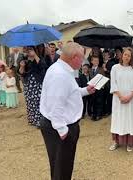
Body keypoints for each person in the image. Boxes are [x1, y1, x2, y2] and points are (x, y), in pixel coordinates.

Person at [40, 42, 95, 180]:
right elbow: (55, 104)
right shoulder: (60, 74)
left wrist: (85, 91)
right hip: (60, 127)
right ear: (74, 57)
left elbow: (68, 94)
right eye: (82, 58)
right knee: (62, 166)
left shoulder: (61, 69)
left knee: (61, 165)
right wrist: (62, 130)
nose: (83, 62)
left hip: (59, 125)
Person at [109, 47, 133, 152]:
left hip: (131, 99)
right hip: (118, 99)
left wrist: (130, 96)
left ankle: (130, 143)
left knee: (130, 119)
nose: (126, 57)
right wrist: (120, 96)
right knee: (118, 119)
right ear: (122, 55)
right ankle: (116, 142)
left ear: (131, 58)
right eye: (125, 54)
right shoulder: (115, 68)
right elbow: (113, 83)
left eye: (129, 55)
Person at [19, 46, 47, 127]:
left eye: (30, 49)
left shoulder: (39, 58)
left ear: (34, 50)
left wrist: (34, 55)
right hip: (28, 84)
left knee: (38, 102)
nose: (29, 51)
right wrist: (22, 66)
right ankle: (32, 119)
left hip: (37, 84)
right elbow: (21, 73)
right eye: (27, 50)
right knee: (30, 102)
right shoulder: (24, 60)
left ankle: (40, 121)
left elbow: (43, 66)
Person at [89, 55, 105, 121]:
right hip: (92, 88)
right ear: (92, 61)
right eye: (95, 61)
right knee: (93, 102)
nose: (96, 62)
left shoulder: (101, 69)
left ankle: (99, 114)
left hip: (99, 88)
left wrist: (100, 86)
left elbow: (103, 78)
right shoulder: (89, 69)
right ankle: (94, 114)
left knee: (99, 101)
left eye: (97, 61)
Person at [102, 49, 117, 116]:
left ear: (109, 56)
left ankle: (109, 111)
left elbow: (113, 73)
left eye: (106, 55)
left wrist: (106, 70)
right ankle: (104, 110)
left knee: (109, 98)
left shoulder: (112, 63)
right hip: (102, 83)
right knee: (103, 97)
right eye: (104, 55)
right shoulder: (101, 63)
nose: (105, 56)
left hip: (109, 83)